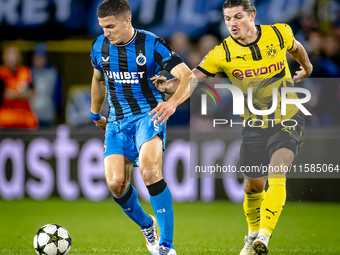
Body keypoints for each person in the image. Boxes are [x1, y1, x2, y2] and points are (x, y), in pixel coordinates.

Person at [152, 0, 313, 254]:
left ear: (253, 15)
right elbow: (193, 78)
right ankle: (251, 237)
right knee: (252, 187)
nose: (232, 24)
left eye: (238, 17)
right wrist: (169, 85)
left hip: (288, 117)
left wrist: (306, 66)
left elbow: (296, 47)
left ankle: (264, 236)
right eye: (228, 18)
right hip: (254, 125)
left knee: (277, 171)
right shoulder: (222, 53)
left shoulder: (279, 32)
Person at [89, 1, 194, 255]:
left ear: (127, 21)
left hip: (149, 116)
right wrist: (95, 113)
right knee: (116, 183)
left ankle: (166, 246)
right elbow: (97, 78)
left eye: (111, 26)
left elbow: (188, 78)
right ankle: (148, 226)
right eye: (103, 27)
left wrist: (171, 103)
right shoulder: (99, 46)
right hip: (116, 120)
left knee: (149, 171)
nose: (106, 33)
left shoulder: (153, 44)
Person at [0, 46, 38, 129]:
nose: (13, 60)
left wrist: (13, 94)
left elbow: (33, 93)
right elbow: (5, 95)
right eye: (10, 57)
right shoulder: (1, 73)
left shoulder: (26, 72)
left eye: (15, 56)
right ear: (4, 58)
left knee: (33, 122)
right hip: (6, 116)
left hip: (25, 116)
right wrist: (21, 94)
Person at [31, 43, 63, 128]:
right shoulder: (28, 72)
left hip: (48, 116)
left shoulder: (53, 73)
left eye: (42, 57)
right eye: (37, 56)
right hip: (31, 116)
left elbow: (59, 97)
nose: (39, 59)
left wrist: (58, 112)